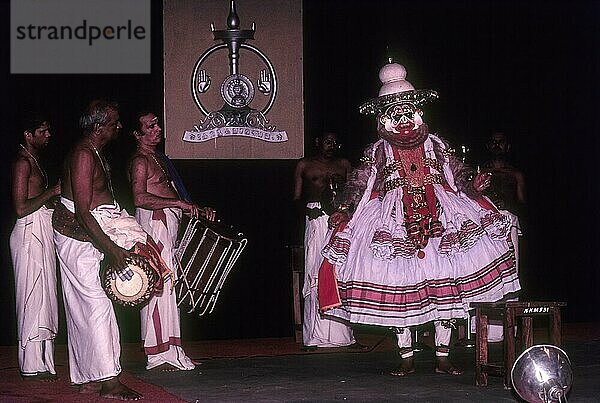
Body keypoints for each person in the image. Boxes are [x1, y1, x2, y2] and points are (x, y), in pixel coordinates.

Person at [318, 63, 521, 376]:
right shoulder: (378, 151)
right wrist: (344, 208)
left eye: (407, 111)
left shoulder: (437, 145)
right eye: (395, 114)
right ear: (383, 118)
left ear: (418, 112)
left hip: (442, 218)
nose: (403, 121)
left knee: (447, 287)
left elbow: (459, 175)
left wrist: (473, 185)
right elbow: (359, 183)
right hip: (393, 222)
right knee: (400, 284)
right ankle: (407, 358)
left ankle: (443, 357)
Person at [52, 99, 165, 400]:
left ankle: (89, 376)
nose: (119, 126)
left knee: (84, 308)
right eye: (115, 122)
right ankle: (109, 383)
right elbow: (83, 212)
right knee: (97, 307)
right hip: (77, 235)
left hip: (86, 235)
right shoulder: (84, 156)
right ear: (99, 126)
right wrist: (113, 249)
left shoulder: (94, 152)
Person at [129, 110, 215, 371]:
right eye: (150, 126)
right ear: (137, 133)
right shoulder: (140, 161)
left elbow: (172, 191)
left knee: (169, 286)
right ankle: (158, 354)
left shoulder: (160, 158)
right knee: (157, 284)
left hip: (168, 223)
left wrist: (193, 207)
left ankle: (172, 348)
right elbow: (139, 198)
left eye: (157, 124)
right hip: (155, 224)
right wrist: (178, 203)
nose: (157, 129)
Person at [293, 131, 358, 349]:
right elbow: (296, 198)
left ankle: (342, 335)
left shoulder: (344, 164)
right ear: (318, 142)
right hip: (316, 220)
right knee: (315, 270)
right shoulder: (305, 165)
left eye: (335, 142)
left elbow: (354, 194)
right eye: (328, 141)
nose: (332, 145)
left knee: (338, 271)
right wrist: (307, 212)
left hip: (340, 219)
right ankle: (315, 336)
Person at [10, 114, 61, 381]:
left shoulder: (34, 161)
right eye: (43, 131)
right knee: (31, 298)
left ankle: (44, 361)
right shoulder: (22, 163)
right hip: (28, 234)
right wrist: (51, 193)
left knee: (45, 298)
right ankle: (30, 363)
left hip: (41, 230)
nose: (48, 135)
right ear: (28, 135)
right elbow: (20, 208)